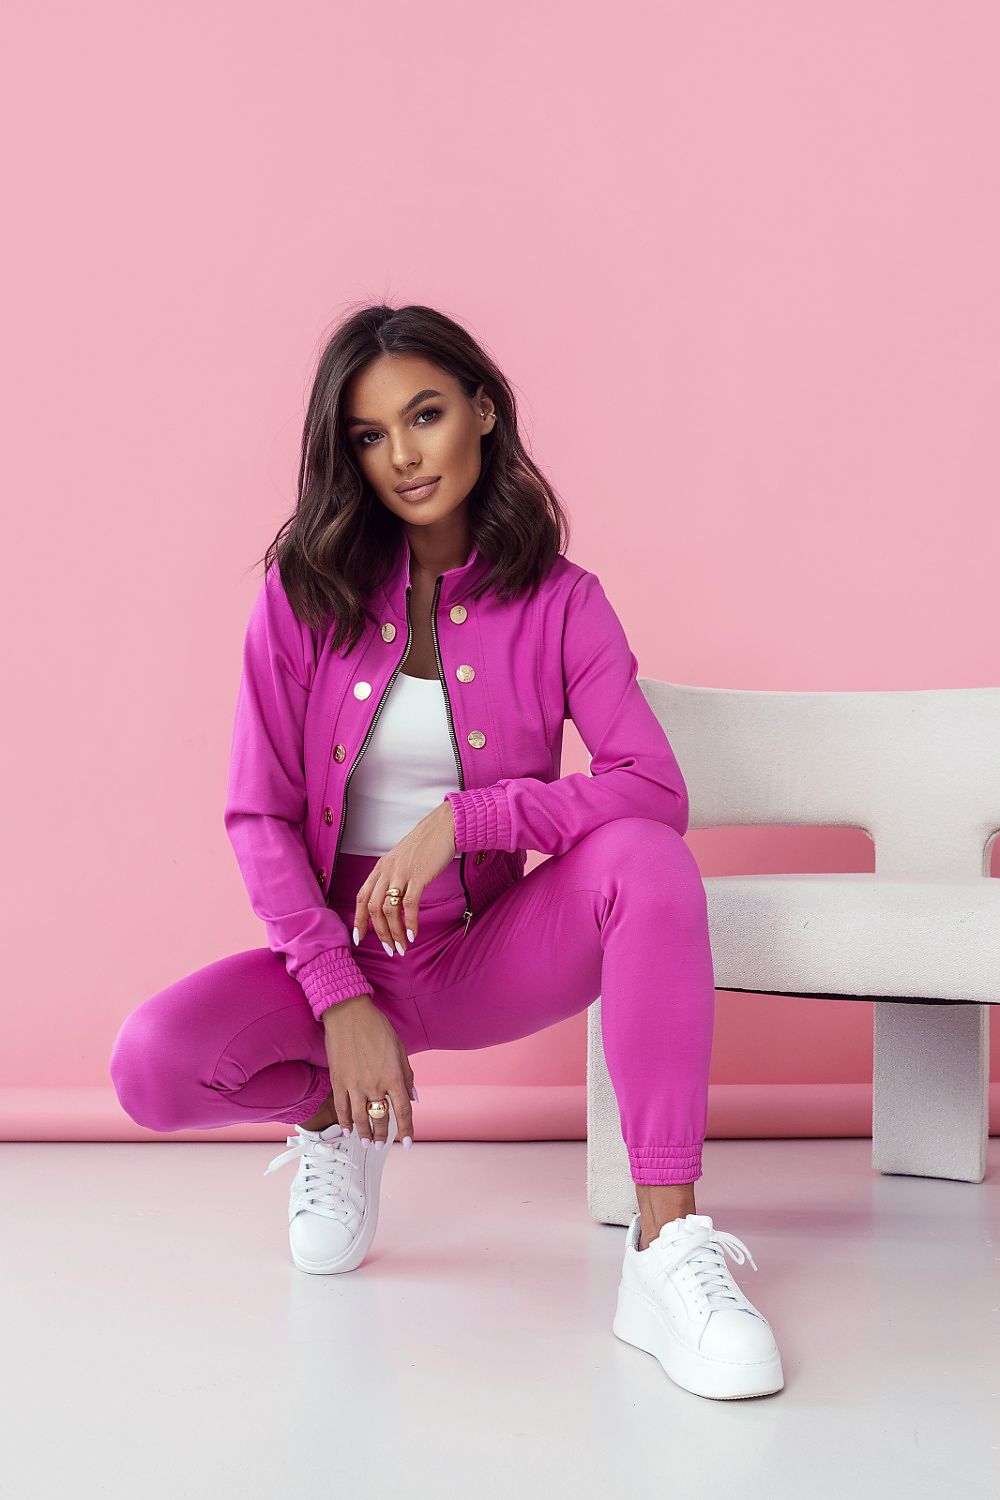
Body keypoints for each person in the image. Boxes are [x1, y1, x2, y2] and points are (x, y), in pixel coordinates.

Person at [109, 302, 783, 1401]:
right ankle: (334, 1113)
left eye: (424, 414)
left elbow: (651, 790)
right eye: (371, 435)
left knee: (650, 866)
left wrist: (473, 821)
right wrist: (336, 996)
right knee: (148, 1063)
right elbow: (258, 817)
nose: (404, 455)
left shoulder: (564, 604)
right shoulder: (302, 596)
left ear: (481, 408)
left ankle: (665, 1250)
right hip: (334, 966)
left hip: (481, 956)